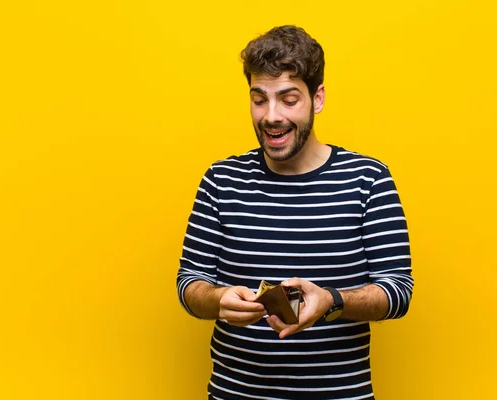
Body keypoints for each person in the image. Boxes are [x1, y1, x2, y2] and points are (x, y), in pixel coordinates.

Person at [176, 25, 413, 400]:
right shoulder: (220, 180)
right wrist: (218, 299)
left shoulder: (369, 179)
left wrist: (332, 300)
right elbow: (190, 283)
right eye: (259, 99)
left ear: (317, 99)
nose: (271, 116)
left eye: (288, 99)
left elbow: (398, 292)